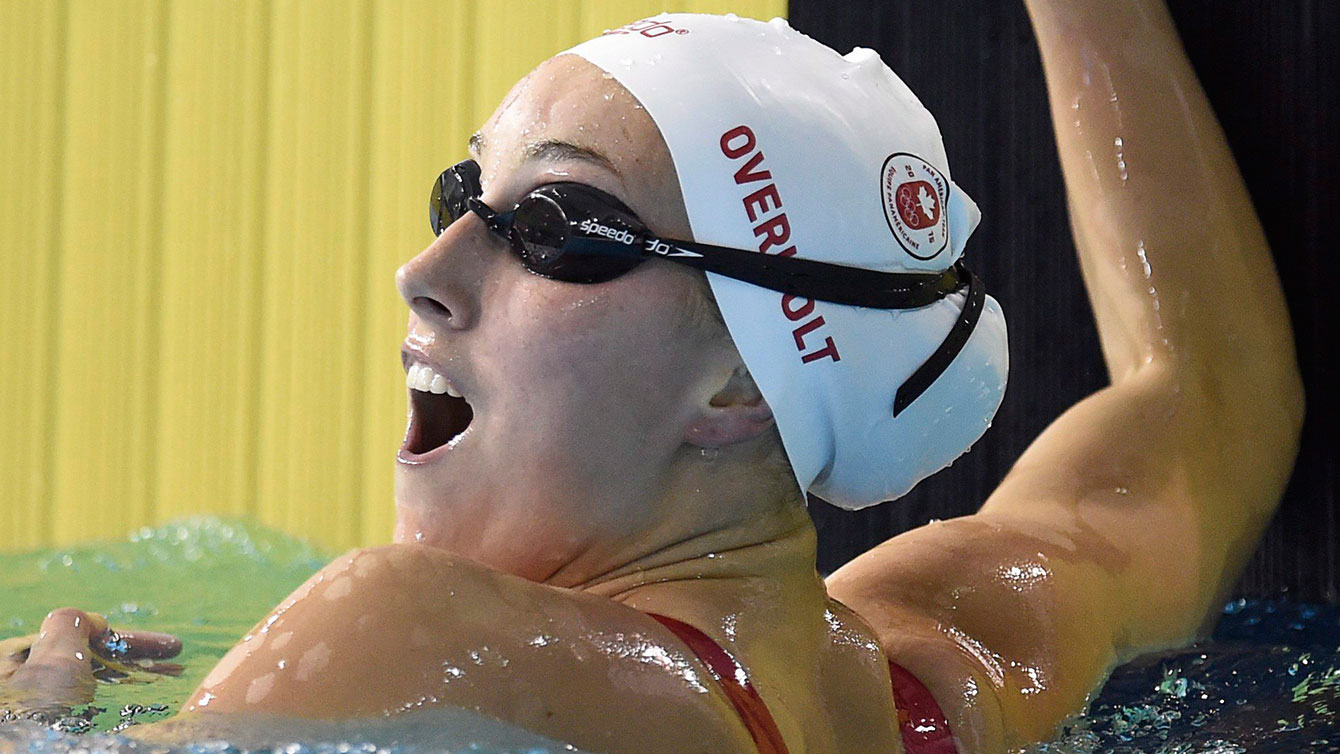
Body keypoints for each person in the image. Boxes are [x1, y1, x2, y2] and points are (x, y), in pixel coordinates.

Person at [0, 2, 1304, 753]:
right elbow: (1211, 397)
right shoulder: (951, 670)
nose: (425, 266)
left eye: (560, 224)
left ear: (744, 378)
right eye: (469, 192)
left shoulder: (402, 634)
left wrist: (49, 721)